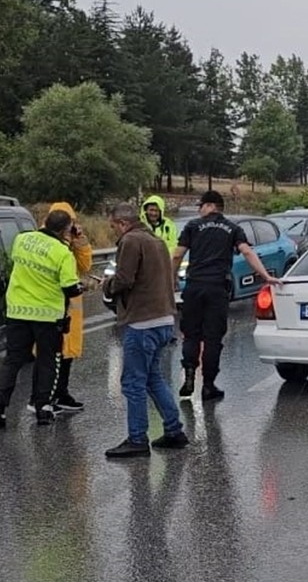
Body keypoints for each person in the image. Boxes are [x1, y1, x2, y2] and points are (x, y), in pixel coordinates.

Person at [172, 189, 281, 401]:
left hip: (194, 286)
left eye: (201, 206)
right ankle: (208, 385)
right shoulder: (233, 228)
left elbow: (177, 254)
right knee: (212, 338)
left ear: (210, 205)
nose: (199, 210)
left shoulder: (193, 226)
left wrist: (172, 278)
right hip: (217, 288)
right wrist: (266, 276)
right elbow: (248, 252)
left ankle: (189, 374)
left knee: (191, 334)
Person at [101, 202, 187, 458]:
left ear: (123, 223)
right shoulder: (157, 241)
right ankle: (174, 431)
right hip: (164, 319)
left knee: (133, 383)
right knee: (153, 378)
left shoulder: (131, 241)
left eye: (114, 226)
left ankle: (137, 439)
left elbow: (125, 279)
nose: (115, 231)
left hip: (141, 322)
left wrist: (107, 285)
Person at [0, 209, 83, 428]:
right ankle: (43, 407)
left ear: (44, 222)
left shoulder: (21, 240)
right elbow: (71, 288)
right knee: (48, 360)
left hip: (17, 311)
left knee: (13, 360)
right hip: (47, 316)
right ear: (66, 229)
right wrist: (84, 285)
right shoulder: (62, 253)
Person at [28, 202, 93, 413]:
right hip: (48, 304)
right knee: (47, 354)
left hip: (70, 306)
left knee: (66, 353)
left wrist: (79, 241)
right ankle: (40, 397)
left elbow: (84, 266)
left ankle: (61, 393)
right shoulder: (43, 240)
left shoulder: (71, 242)